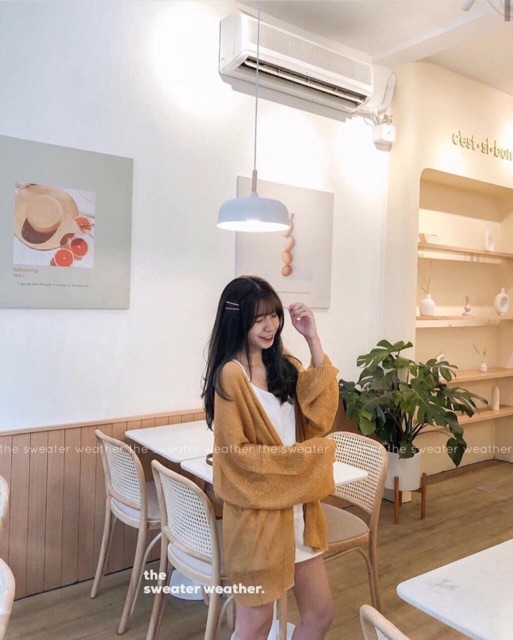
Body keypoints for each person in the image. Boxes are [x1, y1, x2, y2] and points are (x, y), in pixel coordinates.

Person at [202, 275, 339, 640]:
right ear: (237, 319)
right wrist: (306, 461)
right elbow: (236, 458)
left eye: (274, 316)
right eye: (259, 318)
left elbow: (321, 415)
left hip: (300, 514)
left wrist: (312, 338)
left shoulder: (284, 363)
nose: (270, 326)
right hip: (257, 521)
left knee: (321, 614)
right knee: (256, 625)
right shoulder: (230, 377)